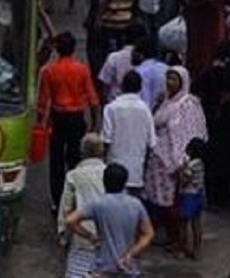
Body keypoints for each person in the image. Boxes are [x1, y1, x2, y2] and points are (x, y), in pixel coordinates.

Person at [144, 66, 208, 256]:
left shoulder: (187, 104)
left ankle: (183, 243)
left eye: (174, 79)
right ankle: (175, 239)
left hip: (176, 162)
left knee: (179, 206)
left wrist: (179, 160)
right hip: (159, 159)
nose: (170, 83)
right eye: (168, 78)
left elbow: (185, 132)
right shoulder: (165, 101)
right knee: (167, 203)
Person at [38, 32, 101, 212]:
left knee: (56, 161)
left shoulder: (50, 70)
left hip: (58, 119)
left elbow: (44, 101)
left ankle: (57, 201)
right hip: (76, 118)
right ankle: (74, 198)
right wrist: (95, 124)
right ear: (73, 49)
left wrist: (42, 124)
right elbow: (93, 98)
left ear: (57, 49)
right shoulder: (82, 69)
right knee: (75, 159)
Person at [64, 163, 155, 276]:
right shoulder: (136, 204)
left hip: (103, 266)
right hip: (128, 267)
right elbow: (148, 234)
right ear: (124, 183)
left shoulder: (98, 203)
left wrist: (89, 235)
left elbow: (70, 220)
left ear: (104, 181)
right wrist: (132, 253)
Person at [195, 41, 230, 209]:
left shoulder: (208, 74)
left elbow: (196, 91)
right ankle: (226, 197)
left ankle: (213, 198)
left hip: (212, 126)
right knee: (229, 162)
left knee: (212, 162)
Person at [56, 133, 107, 278]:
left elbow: (66, 210)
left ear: (82, 152)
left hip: (82, 236)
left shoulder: (74, 176)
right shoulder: (111, 174)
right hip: (107, 239)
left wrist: (63, 237)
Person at [101, 71, 156, 194]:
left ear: (122, 86)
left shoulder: (111, 108)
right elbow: (151, 143)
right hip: (136, 172)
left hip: (113, 170)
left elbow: (106, 139)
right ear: (140, 87)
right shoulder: (145, 110)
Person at [179, 137, 207, 260]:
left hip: (189, 196)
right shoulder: (200, 164)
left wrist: (181, 171)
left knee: (183, 224)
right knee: (197, 224)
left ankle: (183, 249)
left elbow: (185, 181)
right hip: (199, 195)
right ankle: (197, 250)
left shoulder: (190, 165)